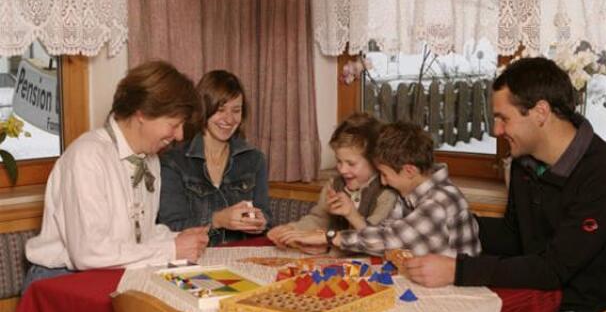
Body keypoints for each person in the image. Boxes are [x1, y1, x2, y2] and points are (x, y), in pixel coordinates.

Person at [410, 57, 606, 312]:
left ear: (541, 112)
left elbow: (553, 269)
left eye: (503, 119)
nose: (496, 131)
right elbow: (514, 237)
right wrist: (447, 223)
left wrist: (457, 271)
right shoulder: (525, 163)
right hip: (544, 300)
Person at [24, 61, 209, 290]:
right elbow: (88, 253)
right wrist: (171, 250)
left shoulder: (149, 160)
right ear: (143, 113)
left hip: (112, 275)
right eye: (174, 124)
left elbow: (138, 237)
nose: (180, 136)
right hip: (60, 282)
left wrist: (175, 238)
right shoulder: (88, 156)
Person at [280, 121, 481, 258]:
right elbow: (379, 235)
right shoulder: (409, 195)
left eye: (385, 174)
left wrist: (331, 237)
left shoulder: (441, 200)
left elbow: (391, 240)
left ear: (409, 170)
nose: (383, 182)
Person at [159, 70, 269, 246]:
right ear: (203, 109)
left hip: (242, 260)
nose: (229, 119)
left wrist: (260, 223)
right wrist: (217, 220)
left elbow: (266, 219)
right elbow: (171, 228)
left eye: (236, 110)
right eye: (220, 109)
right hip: (194, 261)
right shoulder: (173, 162)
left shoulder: (255, 159)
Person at [267, 113, 397, 248]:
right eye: (339, 161)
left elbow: (375, 239)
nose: (342, 170)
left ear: (374, 162)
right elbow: (319, 219)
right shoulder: (334, 185)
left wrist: (352, 214)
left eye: (351, 164)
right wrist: (291, 229)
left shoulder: (386, 194)